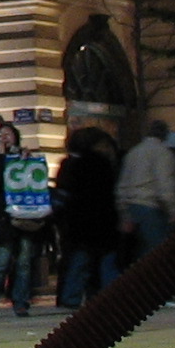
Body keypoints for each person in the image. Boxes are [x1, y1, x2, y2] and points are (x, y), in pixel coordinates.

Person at [0, 123, 46, 318]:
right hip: (5, 217)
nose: (5, 138)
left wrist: (26, 159)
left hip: (25, 214)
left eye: (8, 134)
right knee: (1, 261)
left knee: (24, 262)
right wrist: (0, 157)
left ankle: (21, 302)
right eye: (1, 135)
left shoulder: (24, 156)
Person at [54, 127, 124, 309]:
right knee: (107, 262)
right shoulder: (103, 164)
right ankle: (112, 297)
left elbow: (64, 194)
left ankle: (70, 298)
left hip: (79, 222)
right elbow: (110, 194)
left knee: (79, 263)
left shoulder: (70, 165)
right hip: (103, 220)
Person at [117, 115, 175, 268]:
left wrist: (124, 212)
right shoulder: (163, 153)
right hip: (151, 209)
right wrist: (173, 211)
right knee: (156, 258)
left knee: (136, 259)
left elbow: (122, 185)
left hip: (131, 208)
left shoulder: (133, 152)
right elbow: (165, 184)